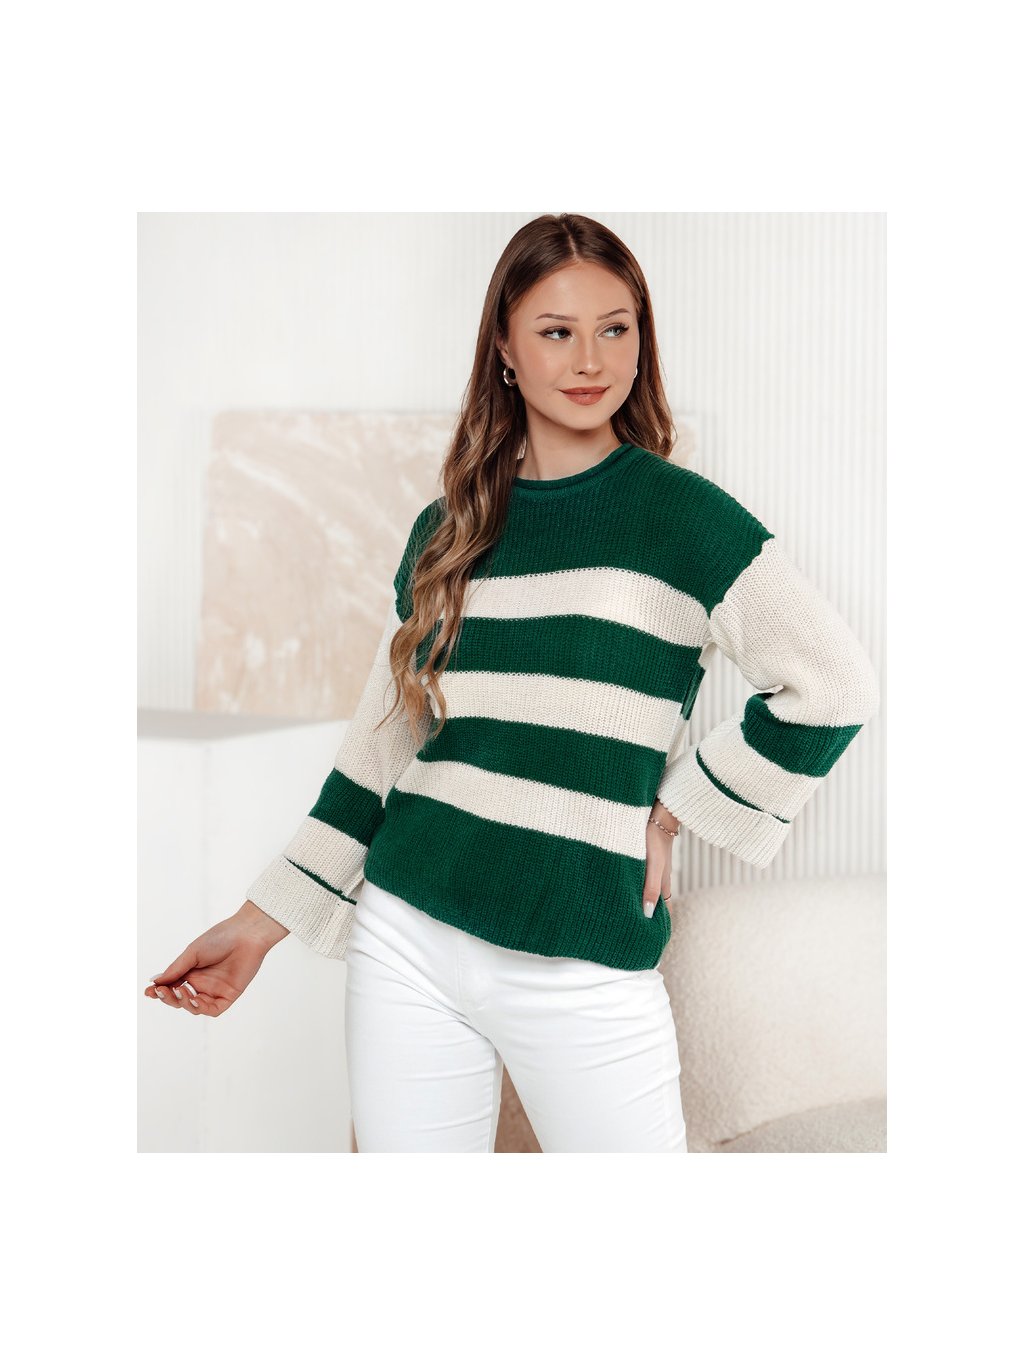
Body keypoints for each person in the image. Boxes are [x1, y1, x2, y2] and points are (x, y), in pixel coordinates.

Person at [144, 212, 880, 1153]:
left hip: (581, 951)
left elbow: (834, 684)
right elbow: (383, 741)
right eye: (556, 331)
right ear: (504, 345)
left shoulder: (686, 521)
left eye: (615, 328)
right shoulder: (449, 528)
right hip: (408, 933)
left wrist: (673, 811)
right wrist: (261, 920)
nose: (591, 359)